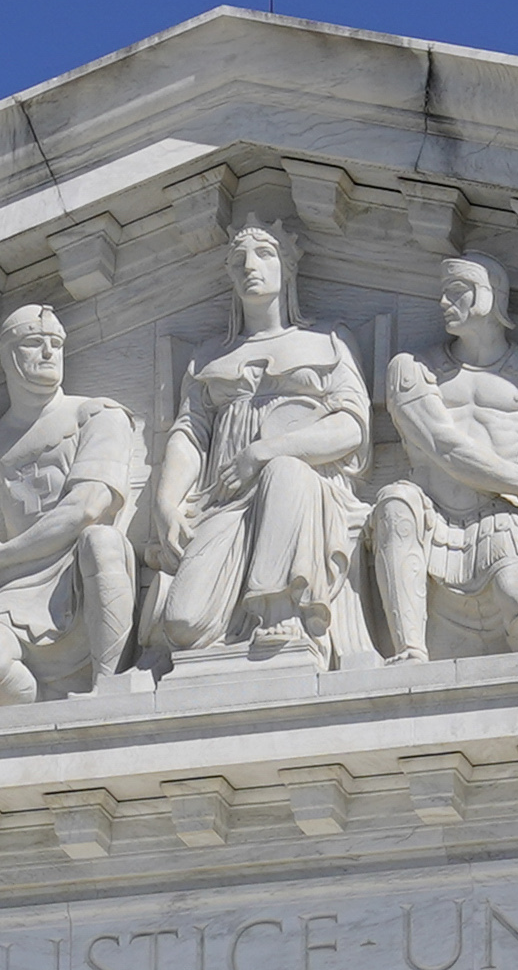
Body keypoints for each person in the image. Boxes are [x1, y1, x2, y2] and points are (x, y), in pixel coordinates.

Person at [145, 221, 373, 671]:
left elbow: (352, 427)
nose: (251, 266)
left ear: (287, 267)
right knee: (184, 624)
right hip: (225, 499)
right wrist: (167, 502)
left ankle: (279, 611)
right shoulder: (209, 357)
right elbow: (190, 434)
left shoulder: (327, 341)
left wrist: (264, 452)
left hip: (307, 493)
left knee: (285, 471)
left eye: (265, 254)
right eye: (238, 259)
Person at [0, 307, 148, 710]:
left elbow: (88, 506)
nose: (48, 352)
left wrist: (3, 553)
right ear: (6, 357)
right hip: (19, 590)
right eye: (34, 343)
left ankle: (109, 692)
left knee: (102, 540)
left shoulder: (97, 415)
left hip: (82, 574)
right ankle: (41, 721)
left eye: (56, 344)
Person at [370, 254, 518, 660]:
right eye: (443, 293)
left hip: (497, 514)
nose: (444, 302)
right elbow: (443, 444)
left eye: (457, 292)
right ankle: (410, 652)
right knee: (395, 503)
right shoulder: (413, 369)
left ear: (490, 296)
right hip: (429, 511)